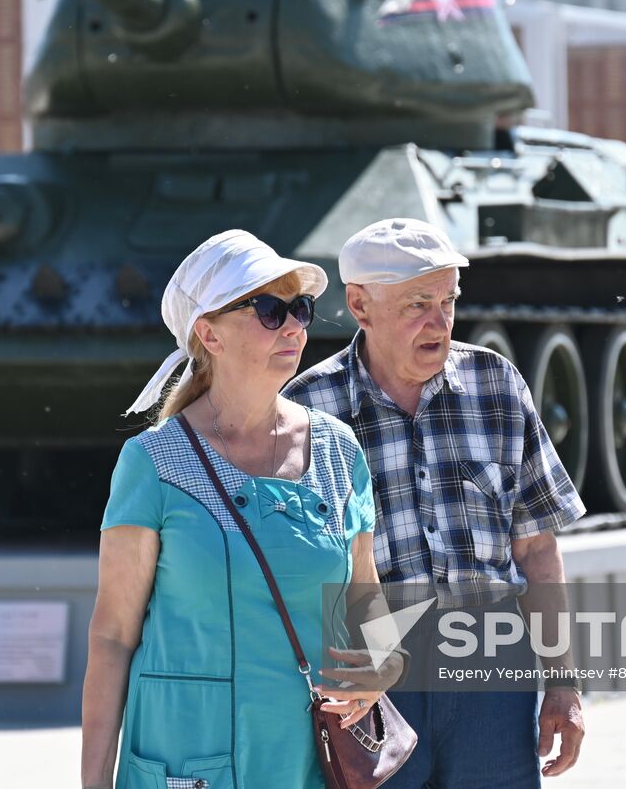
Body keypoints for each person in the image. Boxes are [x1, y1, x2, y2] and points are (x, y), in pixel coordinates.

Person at [80, 230, 403, 789]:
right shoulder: (151, 461)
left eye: (300, 308)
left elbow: (365, 594)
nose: (298, 325)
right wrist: (92, 783)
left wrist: (382, 664)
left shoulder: (338, 449)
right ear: (209, 333)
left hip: (306, 761)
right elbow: (112, 636)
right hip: (184, 762)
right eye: (270, 310)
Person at [283, 217, 588, 787]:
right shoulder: (306, 409)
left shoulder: (497, 385)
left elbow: (538, 550)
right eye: (417, 304)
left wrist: (564, 683)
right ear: (359, 304)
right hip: (371, 674)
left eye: (448, 302)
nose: (439, 322)